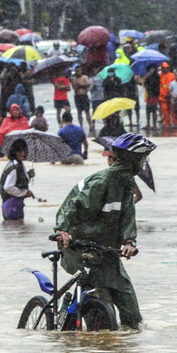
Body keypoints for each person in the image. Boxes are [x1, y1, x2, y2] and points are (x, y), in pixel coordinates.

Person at [54, 132, 157, 328]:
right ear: (132, 159)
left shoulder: (126, 185)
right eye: (143, 158)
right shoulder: (101, 182)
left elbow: (128, 218)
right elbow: (72, 207)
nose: (144, 162)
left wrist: (129, 242)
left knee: (132, 313)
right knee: (99, 317)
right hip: (80, 251)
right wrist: (63, 231)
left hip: (107, 253)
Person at [0, 138, 36, 220]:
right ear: (15, 153)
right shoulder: (14, 167)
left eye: (25, 151)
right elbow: (8, 187)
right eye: (20, 152)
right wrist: (25, 192)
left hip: (15, 203)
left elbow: (18, 181)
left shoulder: (19, 164)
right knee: (15, 228)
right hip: (11, 204)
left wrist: (29, 176)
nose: (23, 154)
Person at [143, 65, 161, 131]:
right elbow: (144, 85)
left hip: (154, 95)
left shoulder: (157, 77)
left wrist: (157, 95)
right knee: (148, 110)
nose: (152, 70)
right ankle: (148, 124)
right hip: (149, 95)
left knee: (154, 111)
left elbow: (158, 86)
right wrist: (146, 77)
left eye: (153, 68)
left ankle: (154, 125)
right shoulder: (148, 77)